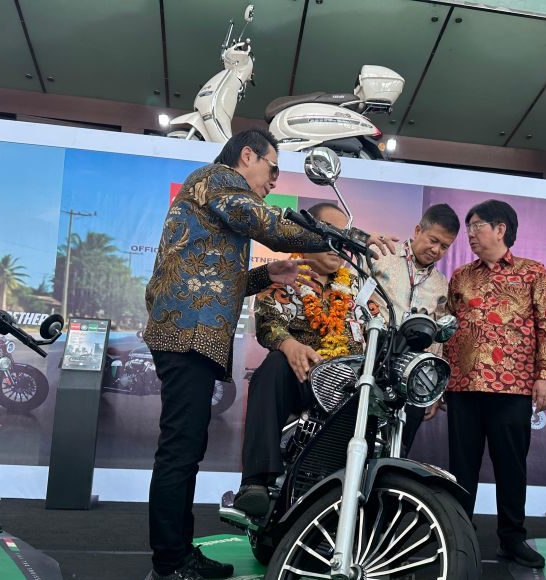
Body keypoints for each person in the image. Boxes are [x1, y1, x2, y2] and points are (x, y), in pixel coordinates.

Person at [142, 129, 396, 580]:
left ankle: (179, 552)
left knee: (187, 449)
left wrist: (266, 275)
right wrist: (350, 237)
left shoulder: (215, 199)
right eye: (272, 168)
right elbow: (272, 226)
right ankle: (170, 562)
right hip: (186, 335)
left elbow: (219, 280)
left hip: (192, 336)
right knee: (179, 450)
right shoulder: (218, 179)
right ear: (247, 155)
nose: (275, 180)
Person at [443, 199, 546, 570]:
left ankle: (512, 539)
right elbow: (447, 326)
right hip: (463, 387)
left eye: (477, 225)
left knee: (511, 467)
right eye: (469, 227)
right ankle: (460, 539)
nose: (470, 233)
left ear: (500, 229)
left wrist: (545, 376)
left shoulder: (532, 273)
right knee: (461, 469)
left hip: (512, 387)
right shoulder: (461, 276)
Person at [234, 202, 364, 515]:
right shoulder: (286, 274)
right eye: (330, 234)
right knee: (274, 366)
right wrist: (289, 345)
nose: (338, 243)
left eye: (343, 236)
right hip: (304, 377)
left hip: (352, 386)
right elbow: (268, 321)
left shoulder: (359, 285)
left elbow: (377, 327)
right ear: (307, 235)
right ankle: (256, 482)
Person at [366, 204, 459, 455]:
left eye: (445, 246)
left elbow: (438, 339)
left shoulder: (441, 284)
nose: (436, 250)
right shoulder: (380, 255)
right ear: (418, 230)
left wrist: (432, 389)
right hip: (371, 362)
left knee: (399, 449)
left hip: (413, 374)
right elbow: (354, 299)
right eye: (433, 240)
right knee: (360, 438)